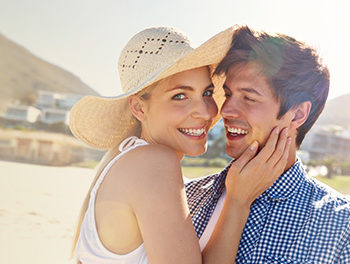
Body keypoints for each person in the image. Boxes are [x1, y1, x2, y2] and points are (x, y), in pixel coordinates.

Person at [69, 26, 290, 264]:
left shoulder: (131, 163)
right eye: (180, 96)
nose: (206, 112)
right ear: (139, 108)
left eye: (207, 93)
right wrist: (238, 202)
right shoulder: (152, 163)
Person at [185, 25, 350, 263]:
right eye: (228, 94)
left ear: (297, 114)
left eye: (249, 97)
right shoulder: (188, 199)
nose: (226, 111)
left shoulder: (341, 226)